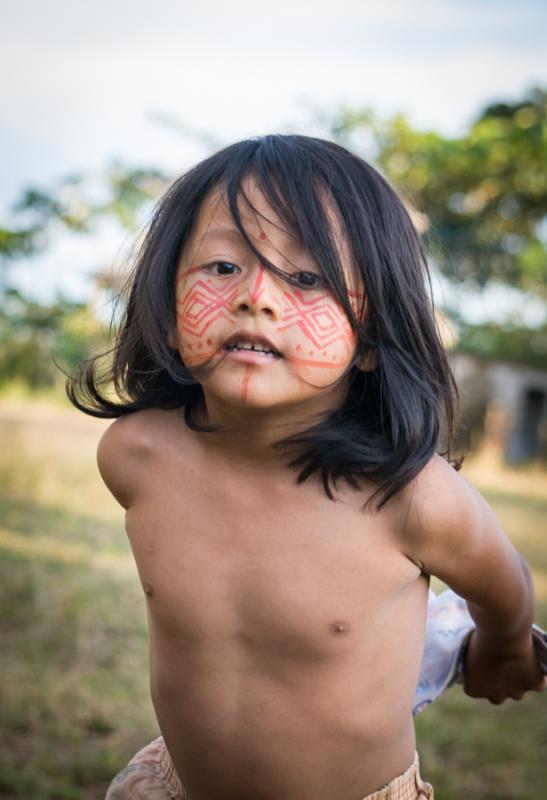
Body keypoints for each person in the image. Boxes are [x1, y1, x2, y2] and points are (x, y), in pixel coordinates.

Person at [67, 135, 546, 800]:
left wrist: (501, 648)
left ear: (373, 340)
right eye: (223, 267)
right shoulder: (137, 457)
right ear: (168, 311)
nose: (256, 297)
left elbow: (504, 585)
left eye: (305, 277)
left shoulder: (411, 499)